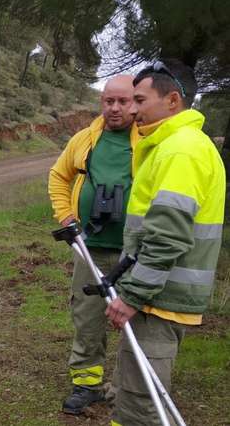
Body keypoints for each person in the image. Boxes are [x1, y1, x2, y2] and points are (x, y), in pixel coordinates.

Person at [106, 60, 225, 426]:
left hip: (159, 296)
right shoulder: (173, 145)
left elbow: (168, 235)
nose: (133, 110)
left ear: (173, 101)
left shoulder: (180, 151)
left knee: (142, 405)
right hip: (159, 294)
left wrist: (133, 294)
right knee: (134, 395)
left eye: (140, 100)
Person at [47, 74, 141, 414]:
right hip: (90, 247)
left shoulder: (148, 141)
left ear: (137, 102)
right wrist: (65, 216)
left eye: (123, 101)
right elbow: (59, 176)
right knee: (87, 317)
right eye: (108, 101)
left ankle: (132, 388)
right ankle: (87, 385)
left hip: (135, 251)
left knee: (140, 317)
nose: (114, 108)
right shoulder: (85, 139)